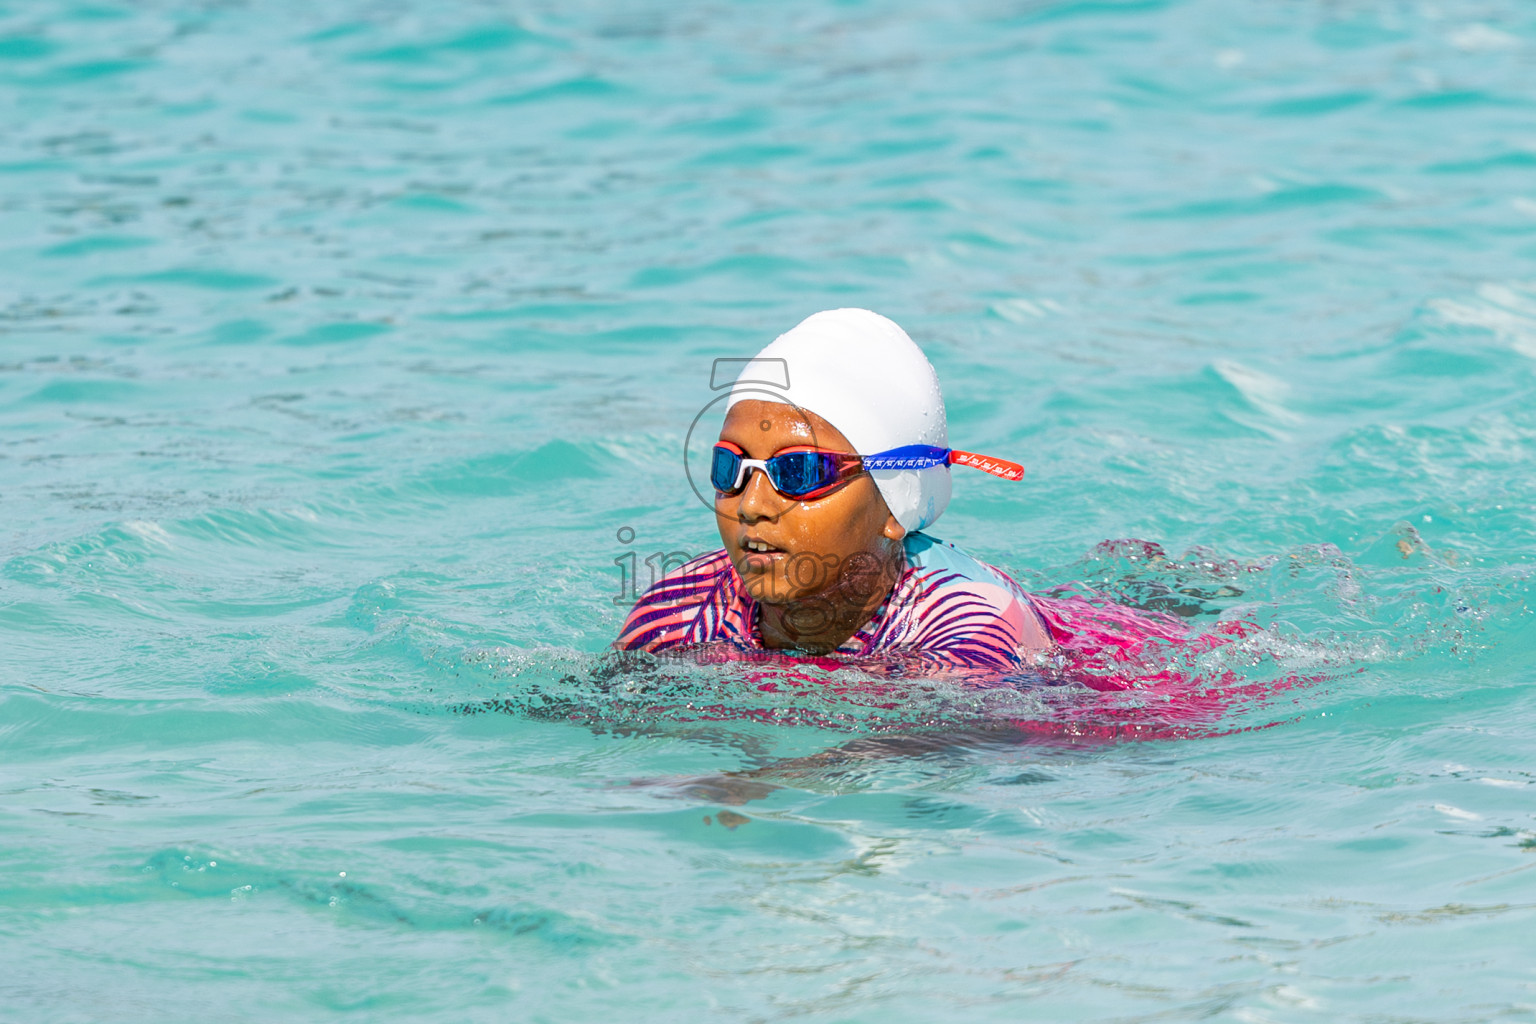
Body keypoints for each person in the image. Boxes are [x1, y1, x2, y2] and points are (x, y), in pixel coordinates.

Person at [615, 308, 1057, 675]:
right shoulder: (681, 610)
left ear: (894, 502)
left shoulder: (972, 624)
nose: (750, 505)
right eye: (731, 468)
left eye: (800, 472)